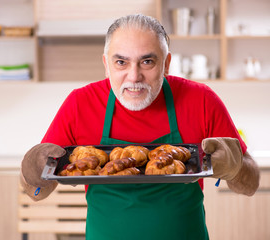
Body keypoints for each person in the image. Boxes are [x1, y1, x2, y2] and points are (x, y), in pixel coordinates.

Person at [20, 14, 260, 239]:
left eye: (147, 61)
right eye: (121, 62)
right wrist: (32, 172)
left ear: (166, 63)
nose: (134, 76)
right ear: (106, 64)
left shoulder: (202, 100)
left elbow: (251, 185)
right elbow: (35, 192)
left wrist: (235, 166)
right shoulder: (80, 104)